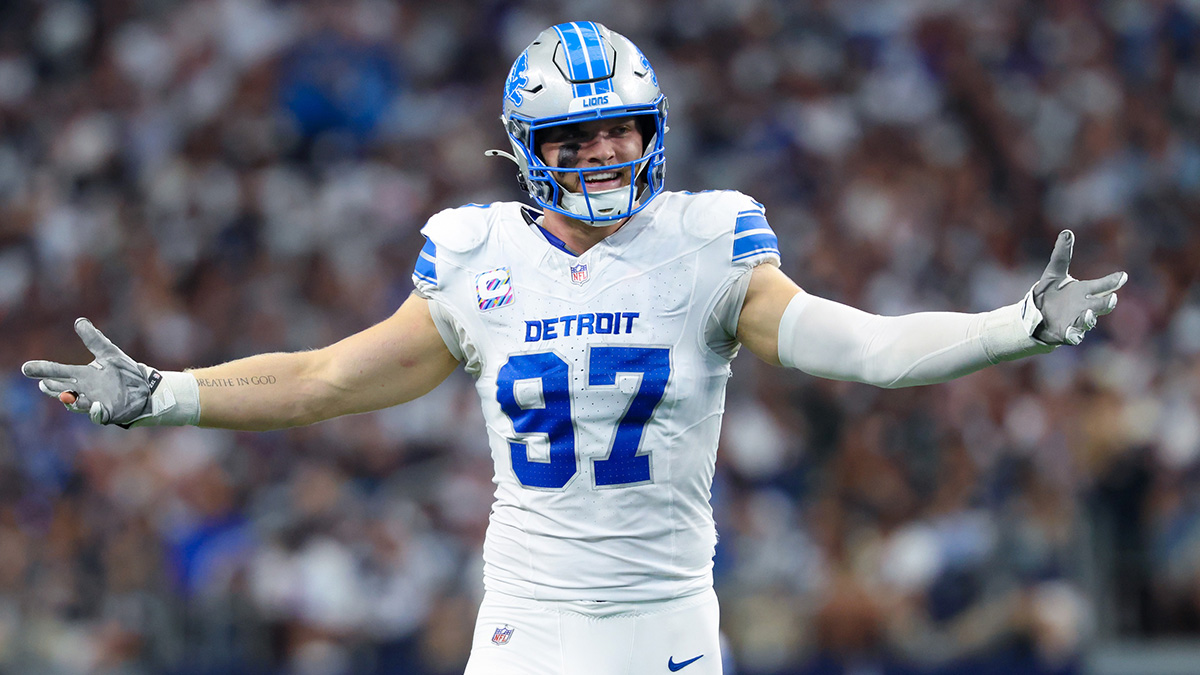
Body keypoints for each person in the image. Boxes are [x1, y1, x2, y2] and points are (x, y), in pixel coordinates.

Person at [22, 21, 1126, 675]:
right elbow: (322, 380)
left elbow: (866, 348)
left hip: (665, 622)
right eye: (577, 136)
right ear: (528, 147)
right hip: (526, 626)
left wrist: (1012, 328)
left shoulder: (707, 243)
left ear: (653, 130)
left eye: (620, 130)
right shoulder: (473, 256)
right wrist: (163, 393)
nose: (604, 152)